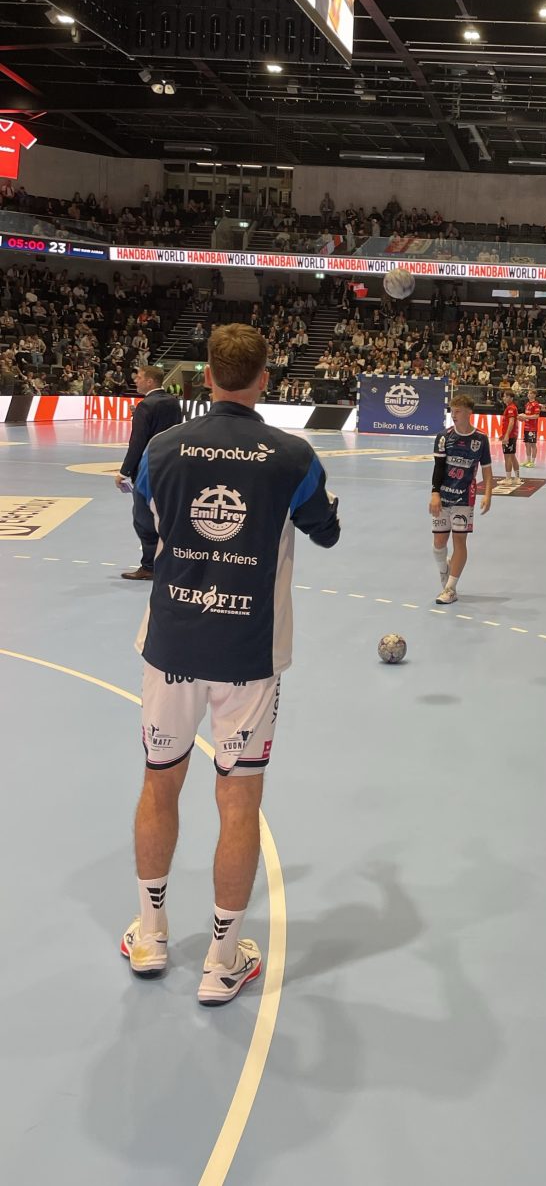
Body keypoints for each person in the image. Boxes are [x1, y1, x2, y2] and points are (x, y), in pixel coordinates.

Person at [123, 325, 340, 1003]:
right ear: (265, 379)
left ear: (207, 376)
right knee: (238, 800)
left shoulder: (163, 449)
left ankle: (150, 932)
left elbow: (148, 524)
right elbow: (326, 531)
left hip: (172, 648)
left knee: (161, 782)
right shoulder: (291, 456)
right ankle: (221, 961)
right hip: (249, 655)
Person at [116, 366, 183, 581]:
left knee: (143, 519)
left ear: (151, 381)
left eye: (140, 377)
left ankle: (149, 566)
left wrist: (124, 471)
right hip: (170, 468)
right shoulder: (173, 402)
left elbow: (137, 442)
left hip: (148, 469)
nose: (136, 380)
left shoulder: (145, 406)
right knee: (166, 517)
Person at [430, 393, 493, 605]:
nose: (453, 414)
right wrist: (435, 494)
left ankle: (450, 589)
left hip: (465, 497)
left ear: (468, 413)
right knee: (438, 543)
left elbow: (487, 471)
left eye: (457, 411)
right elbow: (438, 469)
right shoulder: (443, 437)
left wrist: (488, 494)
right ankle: (444, 570)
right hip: (443, 496)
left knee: (459, 541)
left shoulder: (480, 439)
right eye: (452, 410)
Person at [499, 392, 521, 483]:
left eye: (506, 396)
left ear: (511, 398)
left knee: (507, 456)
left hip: (510, 436)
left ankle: (508, 479)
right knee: (512, 456)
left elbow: (511, 422)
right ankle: (517, 477)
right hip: (511, 435)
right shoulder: (510, 408)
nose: (504, 398)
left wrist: (507, 435)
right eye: (504, 396)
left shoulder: (511, 408)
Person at [522, 390, 542, 469]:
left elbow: (536, 416)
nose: (529, 395)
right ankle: (528, 460)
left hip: (532, 428)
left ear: (534, 395)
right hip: (526, 427)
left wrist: (526, 417)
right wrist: (522, 417)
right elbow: (527, 415)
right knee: (527, 444)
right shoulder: (527, 404)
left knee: (533, 444)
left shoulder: (535, 404)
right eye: (528, 393)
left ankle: (533, 462)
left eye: (530, 393)